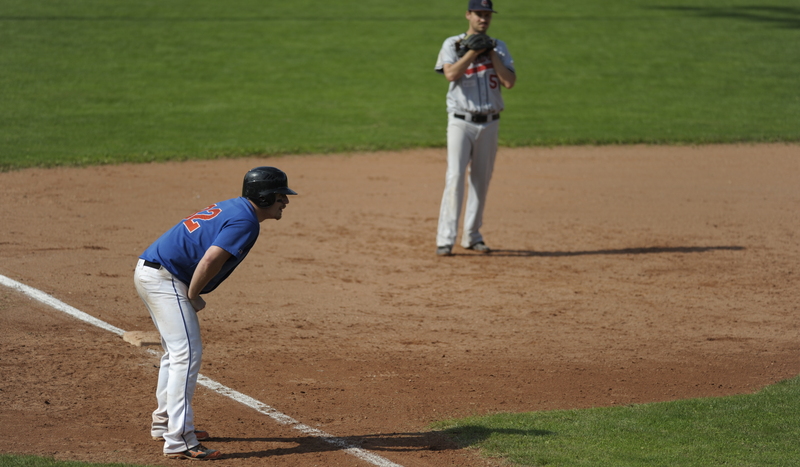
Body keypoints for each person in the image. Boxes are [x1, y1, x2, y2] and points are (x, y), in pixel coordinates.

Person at [133, 166, 297, 460]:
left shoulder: (234, 207)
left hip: (153, 271)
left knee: (176, 353)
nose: (285, 201)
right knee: (187, 353)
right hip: (165, 279)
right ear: (263, 197)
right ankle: (179, 440)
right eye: (280, 196)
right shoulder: (246, 222)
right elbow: (210, 259)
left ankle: (165, 423)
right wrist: (193, 296)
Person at [434, 0, 516, 256]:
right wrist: (471, 53)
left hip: (490, 122)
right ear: (468, 15)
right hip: (460, 121)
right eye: (479, 14)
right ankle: (445, 239)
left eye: (487, 14)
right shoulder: (452, 44)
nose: (483, 19)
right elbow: (449, 74)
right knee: (456, 177)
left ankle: (472, 236)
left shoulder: (499, 47)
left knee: (481, 181)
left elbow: (509, 82)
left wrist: (490, 53)